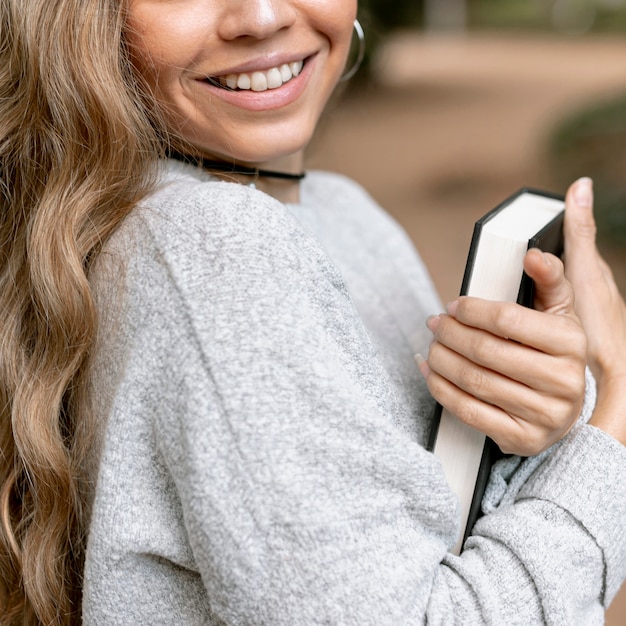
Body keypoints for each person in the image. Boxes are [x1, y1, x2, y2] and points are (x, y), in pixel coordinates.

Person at [0, 0, 623, 624]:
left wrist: (526, 427)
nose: (263, 16)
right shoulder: (216, 245)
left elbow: (437, 536)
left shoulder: (340, 209)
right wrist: (613, 418)